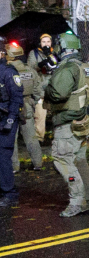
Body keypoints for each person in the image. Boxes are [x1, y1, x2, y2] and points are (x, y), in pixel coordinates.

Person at [44, 32, 89, 217]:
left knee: (63, 160)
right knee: (79, 160)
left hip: (68, 122)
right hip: (82, 120)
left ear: (62, 47)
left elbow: (58, 94)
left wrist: (47, 83)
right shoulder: (84, 65)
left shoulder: (68, 68)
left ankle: (76, 202)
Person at [8, 41, 42, 175]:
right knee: (31, 137)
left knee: (11, 138)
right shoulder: (30, 70)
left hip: (10, 107)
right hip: (27, 106)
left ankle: (14, 167)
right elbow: (38, 91)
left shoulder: (6, 70)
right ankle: (38, 163)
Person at [0, 46, 22, 206]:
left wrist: (10, 119)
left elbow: (16, 97)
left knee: (3, 156)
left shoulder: (8, 72)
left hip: (6, 118)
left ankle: (9, 192)